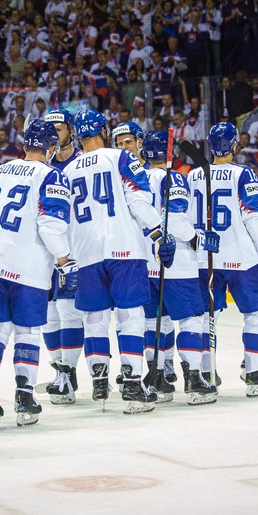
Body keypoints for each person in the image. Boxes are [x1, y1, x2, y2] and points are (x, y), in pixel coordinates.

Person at [63, 109, 175, 413]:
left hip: (85, 252)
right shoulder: (121, 157)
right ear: (103, 130)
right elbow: (138, 198)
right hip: (123, 246)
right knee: (130, 316)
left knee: (94, 318)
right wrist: (158, 233)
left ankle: (99, 381)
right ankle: (133, 384)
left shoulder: (68, 170)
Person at [0, 119, 73, 427]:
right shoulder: (51, 174)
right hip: (27, 263)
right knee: (27, 332)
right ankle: (23, 394)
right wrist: (64, 260)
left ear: (24, 144)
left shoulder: (0, 170)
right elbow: (50, 225)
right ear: (51, 147)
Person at [187, 122, 258, 397]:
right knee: (255, 315)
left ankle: (205, 373)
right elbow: (252, 215)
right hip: (241, 257)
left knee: (205, 316)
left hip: (205, 257)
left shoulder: (193, 175)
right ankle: (253, 372)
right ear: (233, 146)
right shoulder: (244, 174)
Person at [141, 131, 220, 404]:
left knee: (155, 322)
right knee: (191, 318)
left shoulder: (137, 177)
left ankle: (157, 380)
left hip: (146, 261)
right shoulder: (172, 177)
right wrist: (196, 237)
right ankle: (194, 380)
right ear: (169, 152)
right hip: (175, 262)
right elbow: (173, 218)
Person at [40, 109, 85, 405]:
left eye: (60, 128)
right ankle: (59, 369)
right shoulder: (42, 165)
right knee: (48, 315)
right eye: (50, 129)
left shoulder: (82, 162)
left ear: (71, 130)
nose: (55, 134)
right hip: (44, 248)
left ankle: (68, 371)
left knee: (69, 311)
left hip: (74, 248)